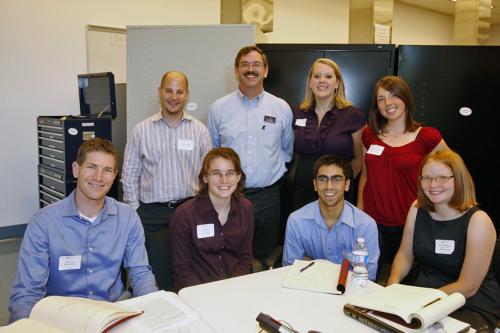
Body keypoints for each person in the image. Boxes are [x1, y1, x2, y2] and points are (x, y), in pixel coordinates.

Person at [9, 138, 158, 323]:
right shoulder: (44, 223)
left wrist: (157, 311)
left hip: (112, 314)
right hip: (61, 319)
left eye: (107, 170)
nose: (98, 177)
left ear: (115, 175)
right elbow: (27, 292)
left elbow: (141, 274)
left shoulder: (128, 218)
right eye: (91, 167)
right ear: (76, 169)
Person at [387, 150, 500, 330]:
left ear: (458, 179)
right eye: (426, 178)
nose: (433, 185)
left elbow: (468, 286)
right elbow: (405, 255)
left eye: (442, 178)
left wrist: (421, 300)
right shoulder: (416, 209)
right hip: (423, 295)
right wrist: (392, 285)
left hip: (468, 304)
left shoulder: (479, 221)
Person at [121, 71, 212, 290]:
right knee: (154, 273)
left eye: (179, 92)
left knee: (190, 271)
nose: (174, 97)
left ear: (187, 95)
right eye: (169, 91)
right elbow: (130, 175)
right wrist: (135, 213)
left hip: (189, 210)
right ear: (159, 92)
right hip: (152, 214)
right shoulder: (141, 131)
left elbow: (208, 174)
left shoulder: (199, 131)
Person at [208, 45, 294, 269]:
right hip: (230, 195)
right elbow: (213, 152)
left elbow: (287, 151)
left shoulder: (281, 108)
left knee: (264, 256)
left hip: (268, 197)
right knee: (228, 253)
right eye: (245, 65)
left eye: (256, 65)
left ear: (265, 71)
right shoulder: (219, 109)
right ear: (236, 70)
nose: (250, 69)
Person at [357, 75, 447, 281]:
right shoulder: (369, 135)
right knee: (364, 282)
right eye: (381, 99)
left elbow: (454, 174)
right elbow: (365, 176)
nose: (388, 103)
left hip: (410, 226)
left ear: (405, 98)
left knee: (403, 288)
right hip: (372, 225)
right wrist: (360, 216)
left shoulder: (427, 137)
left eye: (393, 96)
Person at [282, 155, 379, 281]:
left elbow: (367, 277)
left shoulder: (366, 226)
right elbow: (291, 270)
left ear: (347, 184)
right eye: (322, 179)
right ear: (315, 185)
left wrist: (312, 264)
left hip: (350, 293)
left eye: (337, 179)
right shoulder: (296, 221)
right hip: (308, 290)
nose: (329, 186)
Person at [170, 147, 254, 290]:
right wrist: (208, 294)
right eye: (216, 173)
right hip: (196, 292)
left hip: (235, 290)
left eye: (230, 173)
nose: (224, 180)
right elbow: (181, 269)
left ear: (238, 177)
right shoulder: (184, 215)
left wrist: (231, 289)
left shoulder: (246, 209)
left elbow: (245, 259)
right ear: (205, 177)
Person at [292, 58, 365, 209]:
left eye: (328, 76)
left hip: (336, 190)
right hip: (303, 188)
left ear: (337, 83)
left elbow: (359, 159)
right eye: (317, 76)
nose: (322, 81)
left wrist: (342, 181)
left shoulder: (353, 115)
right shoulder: (298, 113)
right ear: (310, 82)